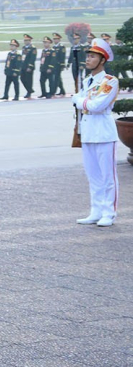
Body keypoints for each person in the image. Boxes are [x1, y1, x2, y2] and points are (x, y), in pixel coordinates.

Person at [73, 39, 120, 227]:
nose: (88, 59)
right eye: (88, 56)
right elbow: (88, 105)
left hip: (104, 133)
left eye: (92, 56)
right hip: (88, 133)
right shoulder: (87, 81)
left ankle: (109, 212)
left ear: (102, 60)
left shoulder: (110, 81)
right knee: (93, 176)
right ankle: (96, 210)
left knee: (108, 176)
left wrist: (79, 100)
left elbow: (97, 106)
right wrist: (82, 101)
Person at [20, 34, 37, 98]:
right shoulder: (24, 48)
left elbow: (32, 58)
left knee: (29, 80)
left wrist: (30, 66)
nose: (25, 42)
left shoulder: (33, 48)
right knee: (22, 79)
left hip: (29, 66)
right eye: (25, 40)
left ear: (30, 41)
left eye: (27, 40)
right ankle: (30, 90)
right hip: (23, 66)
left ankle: (29, 92)